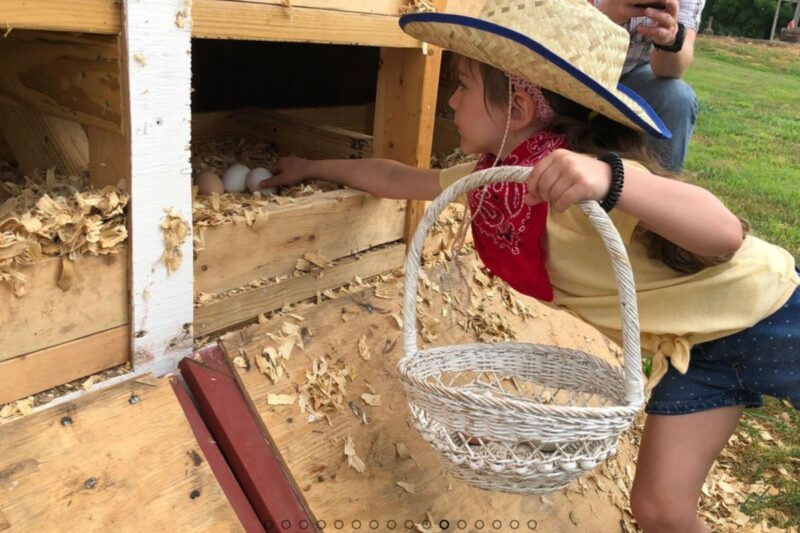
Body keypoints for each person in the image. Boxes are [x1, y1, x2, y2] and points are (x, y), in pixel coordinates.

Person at [260, 1, 799, 530]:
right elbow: (402, 179)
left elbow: (725, 232)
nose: (450, 100)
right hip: (693, 356)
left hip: (770, 314)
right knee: (660, 511)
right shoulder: (500, 182)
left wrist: (611, 179)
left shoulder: (580, 181)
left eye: (463, 85)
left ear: (516, 108)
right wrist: (312, 165)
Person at [594, 0, 705, 171]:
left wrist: (669, 40)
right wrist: (603, 13)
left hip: (629, 74)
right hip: (564, 60)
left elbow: (670, 70)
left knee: (676, 98)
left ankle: (656, 191)